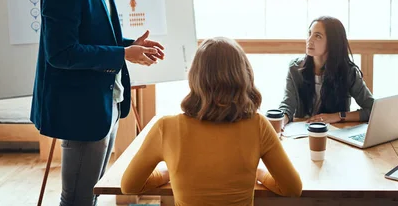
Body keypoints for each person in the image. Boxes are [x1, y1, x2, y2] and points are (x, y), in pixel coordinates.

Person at [30, 0, 165, 206]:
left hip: (104, 104)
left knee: (91, 194)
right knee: (77, 198)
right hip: (80, 109)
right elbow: (61, 53)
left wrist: (132, 46)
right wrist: (123, 54)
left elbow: (93, 36)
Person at [121, 37, 302, 204]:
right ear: (244, 77)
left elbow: (130, 186)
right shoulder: (258, 125)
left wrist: (168, 174)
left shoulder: (166, 127)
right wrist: (259, 173)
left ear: (195, 77)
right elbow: (292, 188)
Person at [279, 16, 374, 125]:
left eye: (318, 36)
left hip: (336, 133)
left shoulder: (348, 72)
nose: (309, 40)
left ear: (332, 42)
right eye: (309, 34)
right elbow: (287, 105)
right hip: (302, 132)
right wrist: (281, 122)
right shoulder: (295, 69)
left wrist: (338, 116)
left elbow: (372, 109)